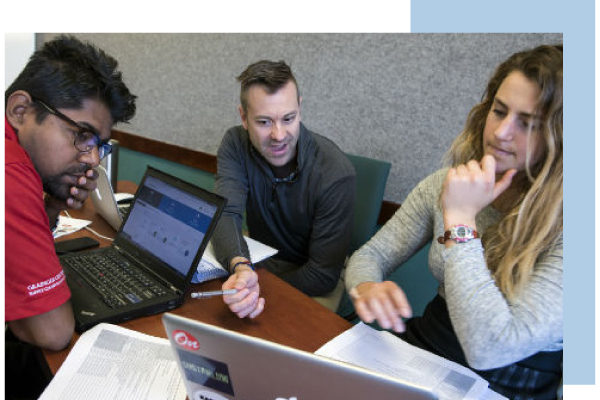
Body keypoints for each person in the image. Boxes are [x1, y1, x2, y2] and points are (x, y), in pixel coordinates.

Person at [345, 44, 563, 400]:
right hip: (428, 349)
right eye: (499, 111)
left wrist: (461, 220)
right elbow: (370, 256)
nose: (501, 132)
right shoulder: (447, 183)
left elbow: (490, 349)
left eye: (527, 124)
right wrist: (365, 285)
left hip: (509, 381)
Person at [4, 34, 136, 398]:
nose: (93, 159)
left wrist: (49, 207)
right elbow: (52, 332)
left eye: (100, 144)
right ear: (20, 111)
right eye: (82, 135)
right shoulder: (11, 174)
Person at [212, 60, 356, 318]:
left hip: (312, 276)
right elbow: (225, 213)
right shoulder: (235, 143)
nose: (279, 135)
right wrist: (242, 269)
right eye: (265, 122)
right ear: (244, 117)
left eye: (288, 119)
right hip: (259, 259)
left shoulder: (335, 172)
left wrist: (256, 285)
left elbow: (322, 276)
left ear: (300, 108)